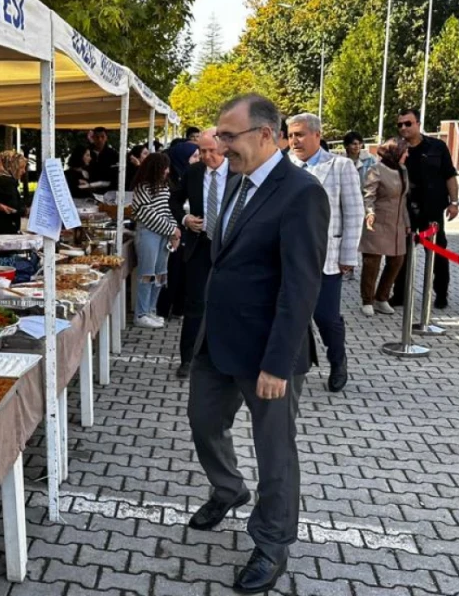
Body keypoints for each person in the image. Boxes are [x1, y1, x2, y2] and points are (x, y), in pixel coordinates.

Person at [186, 94, 329, 593]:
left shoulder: (301, 193)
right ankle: (228, 489)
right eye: (219, 136)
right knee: (204, 422)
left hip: (269, 352)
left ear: (266, 134)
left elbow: (300, 287)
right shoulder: (235, 181)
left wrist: (277, 364)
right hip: (217, 341)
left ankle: (271, 543)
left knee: (275, 453)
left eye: (230, 136)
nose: (220, 145)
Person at [287, 113, 363, 393]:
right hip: (288, 258)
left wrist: (347, 255)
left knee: (326, 316)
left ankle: (337, 358)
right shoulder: (282, 166)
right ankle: (289, 365)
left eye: (300, 134)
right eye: (291, 135)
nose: (294, 140)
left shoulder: (340, 167)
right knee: (289, 314)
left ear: (317, 135)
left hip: (326, 258)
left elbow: (354, 212)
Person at [170, 128, 228, 378]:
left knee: (228, 302)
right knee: (195, 304)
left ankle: (225, 357)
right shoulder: (193, 173)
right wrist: (184, 218)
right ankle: (187, 359)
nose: (206, 156)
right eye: (201, 151)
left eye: (211, 151)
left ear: (222, 147)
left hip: (229, 247)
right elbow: (173, 200)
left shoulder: (238, 173)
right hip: (200, 245)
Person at [391, 108, 459, 309]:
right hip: (404, 211)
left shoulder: (437, 147)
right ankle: (399, 294)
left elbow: (450, 175)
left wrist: (454, 202)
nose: (404, 127)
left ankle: (441, 294)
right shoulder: (396, 148)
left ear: (418, 124)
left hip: (432, 209)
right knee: (400, 255)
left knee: (438, 254)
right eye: (400, 124)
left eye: (408, 123)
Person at [360, 138, 411, 317]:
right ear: (395, 152)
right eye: (405, 151)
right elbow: (368, 195)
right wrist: (370, 213)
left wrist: (407, 222)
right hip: (377, 222)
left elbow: (403, 199)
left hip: (397, 224)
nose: (407, 154)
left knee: (397, 260)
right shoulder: (377, 169)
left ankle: (382, 297)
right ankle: (367, 300)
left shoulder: (402, 170)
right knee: (372, 262)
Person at [131, 153, 179, 329]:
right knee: (147, 273)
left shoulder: (163, 187)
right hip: (148, 234)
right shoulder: (143, 188)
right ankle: (141, 313)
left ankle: (150, 309)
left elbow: (166, 211)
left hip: (162, 234)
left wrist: (174, 231)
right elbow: (147, 215)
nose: (167, 170)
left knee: (160, 273)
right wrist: (172, 230)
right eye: (165, 167)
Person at [0, 150, 25, 235]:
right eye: (21, 167)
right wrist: (27, 211)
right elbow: (14, 207)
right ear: (11, 165)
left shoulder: (0, 178)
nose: (24, 171)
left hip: (0, 230)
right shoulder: (5, 181)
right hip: (5, 232)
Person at [88, 127, 120, 192]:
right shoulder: (87, 153)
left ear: (106, 138)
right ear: (93, 138)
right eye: (97, 137)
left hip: (109, 192)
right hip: (89, 191)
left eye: (102, 137)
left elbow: (117, 175)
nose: (100, 139)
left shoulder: (113, 154)